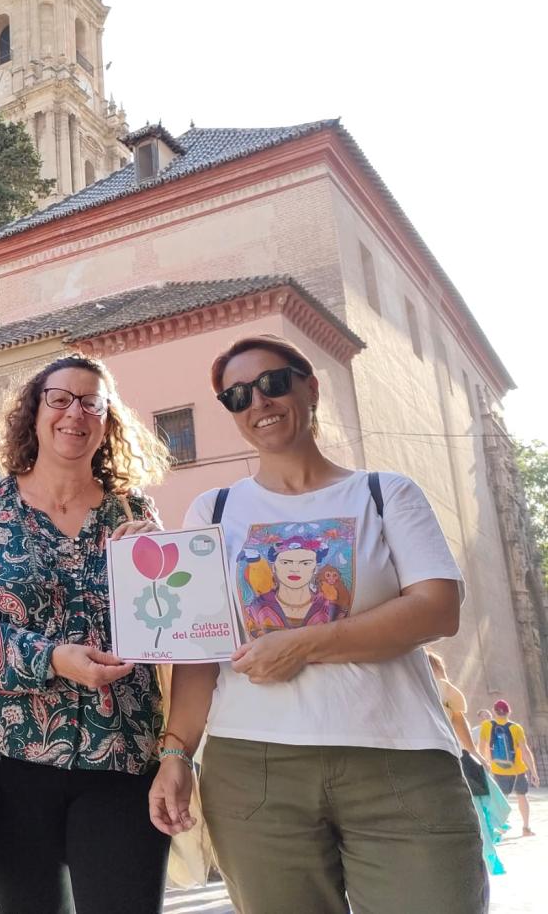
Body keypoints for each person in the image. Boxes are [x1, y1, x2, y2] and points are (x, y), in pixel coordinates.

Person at [151, 333, 488, 913]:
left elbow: (437, 608)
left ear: (309, 387)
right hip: (253, 767)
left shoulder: (384, 495)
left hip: (398, 759)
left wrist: (303, 644)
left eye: (273, 383)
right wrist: (176, 753)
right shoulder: (214, 510)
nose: (258, 401)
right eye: (237, 396)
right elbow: (200, 650)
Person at [0, 355, 173, 912]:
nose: (76, 413)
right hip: (7, 759)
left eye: (92, 402)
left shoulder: (134, 511)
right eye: (60, 399)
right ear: (35, 413)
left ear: (108, 420)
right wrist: (52, 659)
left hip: (121, 755)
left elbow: (168, 627)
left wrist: (153, 561)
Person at [428, 651, 507, 875]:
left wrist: (476, 754)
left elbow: (459, 722)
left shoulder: (441, 689)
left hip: (441, 759)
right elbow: (460, 724)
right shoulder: (439, 688)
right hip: (444, 759)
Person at [478, 698, 539, 837]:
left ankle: (501, 827)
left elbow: (481, 747)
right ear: (508, 712)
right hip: (517, 769)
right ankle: (526, 828)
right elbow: (525, 751)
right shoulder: (516, 728)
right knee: (522, 797)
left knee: (501, 800)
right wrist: (533, 772)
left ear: (494, 711)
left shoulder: (486, 726)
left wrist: (484, 763)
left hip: (498, 769)